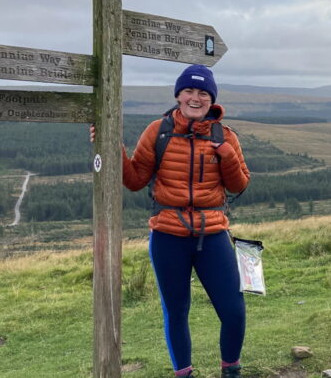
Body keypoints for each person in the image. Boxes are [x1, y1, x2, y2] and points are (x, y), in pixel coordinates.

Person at [91, 64, 250, 377]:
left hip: (213, 234)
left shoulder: (225, 135)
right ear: (178, 96)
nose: (195, 97)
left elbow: (239, 185)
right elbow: (135, 179)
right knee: (177, 311)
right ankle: (184, 373)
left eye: (203, 93)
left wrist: (227, 155)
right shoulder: (158, 131)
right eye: (189, 91)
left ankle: (231, 370)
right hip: (168, 236)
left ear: (212, 99)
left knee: (234, 310)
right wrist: (112, 146)